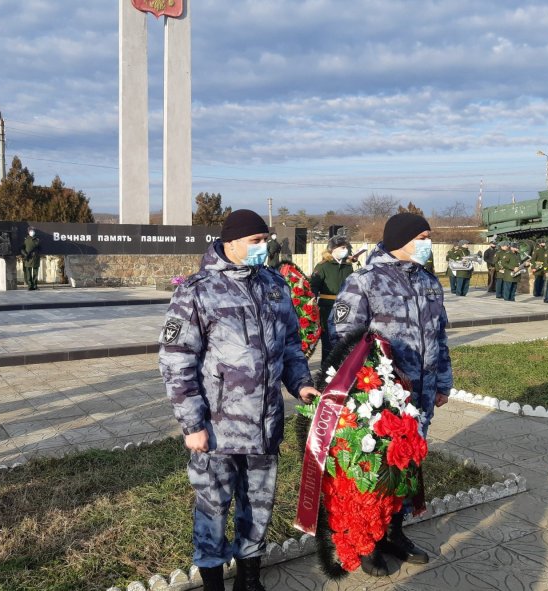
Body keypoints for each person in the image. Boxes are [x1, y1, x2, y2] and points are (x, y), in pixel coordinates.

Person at [158, 209, 318, 591]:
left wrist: (301, 385)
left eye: (266, 240)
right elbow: (175, 359)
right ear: (231, 243)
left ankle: (250, 577)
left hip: (265, 424)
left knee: (258, 505)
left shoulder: (274, 286)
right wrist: (192, 424)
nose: (265, 247)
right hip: (218, 428)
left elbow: (292, 346)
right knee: (213, 508)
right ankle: (213, 581)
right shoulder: (197, 290)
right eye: (256, 241)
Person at [329, 212, 452, 577]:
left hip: (423, 394)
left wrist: (443, 382)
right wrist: (365, 393)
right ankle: (369, 541)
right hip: (382, 398)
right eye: (424, 236)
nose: (429, 243)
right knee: (377, 468)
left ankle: (395, 533)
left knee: (407, 467)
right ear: (403, 238)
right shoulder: (365, 281)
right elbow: (344, 340)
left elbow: (439, 336)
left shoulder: (430, 281)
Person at [310, 235, 355, 379]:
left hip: (346, 308)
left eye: (346, 247)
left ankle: (341, 374)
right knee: (328, 343)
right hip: (327, 308)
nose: (345, 250)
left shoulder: (348, 267)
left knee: (343, 342)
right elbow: (313, 287)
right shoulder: (323, 266)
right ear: (333, 250)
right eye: (342, 247)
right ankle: (325, 375)